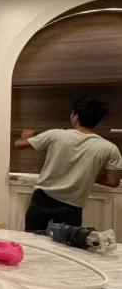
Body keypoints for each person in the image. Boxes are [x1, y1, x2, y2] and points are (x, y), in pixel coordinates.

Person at [14, 97, 122, 233]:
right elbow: (113, 181)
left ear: (75, 117)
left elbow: (18, 145)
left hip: (43, 199)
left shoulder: (56, 135)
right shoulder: (109, 148)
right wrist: (89, 174)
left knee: (33, 240)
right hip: (72, 206)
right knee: (67, 246)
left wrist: (25, 136)